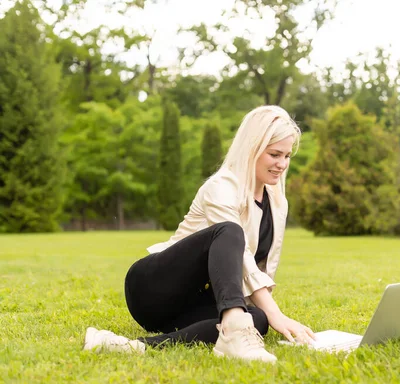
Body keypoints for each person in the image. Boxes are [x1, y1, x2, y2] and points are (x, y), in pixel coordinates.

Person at [83, 105, 315, 363]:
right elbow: (244, 261)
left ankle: (129, 346)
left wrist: (266, 314)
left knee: (256, 319)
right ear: (252, 148)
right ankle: (237, 326)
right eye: (274, 154)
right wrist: (278, 314)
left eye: (286, 156)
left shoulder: (277, 202)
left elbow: (261, 270)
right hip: (152, 287)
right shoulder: (222, 187)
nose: (282, 164)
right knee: (229, 232)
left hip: (186, 306)